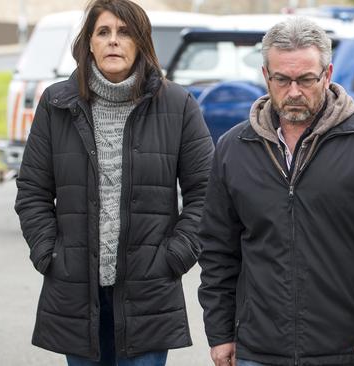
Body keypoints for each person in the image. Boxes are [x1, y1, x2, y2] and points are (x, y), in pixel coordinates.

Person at [197, 17, 354, 366]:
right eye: (282, 79)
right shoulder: (234, 148)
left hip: (349, 347)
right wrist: (220, 334)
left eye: (306, 79)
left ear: (328, 73)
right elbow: (217, 250)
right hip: (258, 350)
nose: (293, 92)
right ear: (266, 76)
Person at [14, 0, 214, 365]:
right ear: (88, 43)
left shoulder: (178, 104)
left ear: (141, 42)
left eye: (125, 32)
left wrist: (175, 256)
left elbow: (207, 193)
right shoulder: (57, 103)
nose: (113, 41)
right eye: (103, 32)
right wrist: (49, 254)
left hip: (148, 289)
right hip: (76, 288)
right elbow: (32, 190)